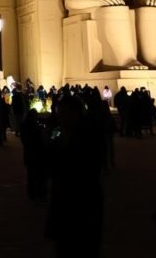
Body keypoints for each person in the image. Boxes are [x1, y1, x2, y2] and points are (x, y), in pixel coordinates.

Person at [45, 95, 104, 258]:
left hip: (82, 208)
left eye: (64, 114)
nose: (61, 119)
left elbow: (88, 169)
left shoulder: (88, 140)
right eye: (59, 114)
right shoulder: (60, 139)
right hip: (65, 209)